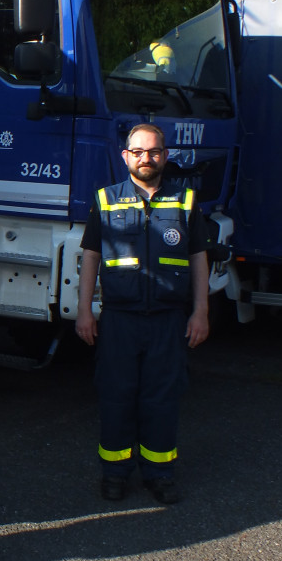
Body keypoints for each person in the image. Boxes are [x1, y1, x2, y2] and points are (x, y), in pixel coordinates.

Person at [74, 123, 209, 505]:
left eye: (153, 152)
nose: (145, 159)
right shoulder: (105, 200)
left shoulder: (185, 202)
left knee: (162, 399)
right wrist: (85, 310)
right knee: (116, 397)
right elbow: (91, 258)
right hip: (119, 319)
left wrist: (201, 311)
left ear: (165, 155)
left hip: (168, 320)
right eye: (138, 152)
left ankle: (160, 474)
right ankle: (115, 474)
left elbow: (198, 257)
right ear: (125, 156)